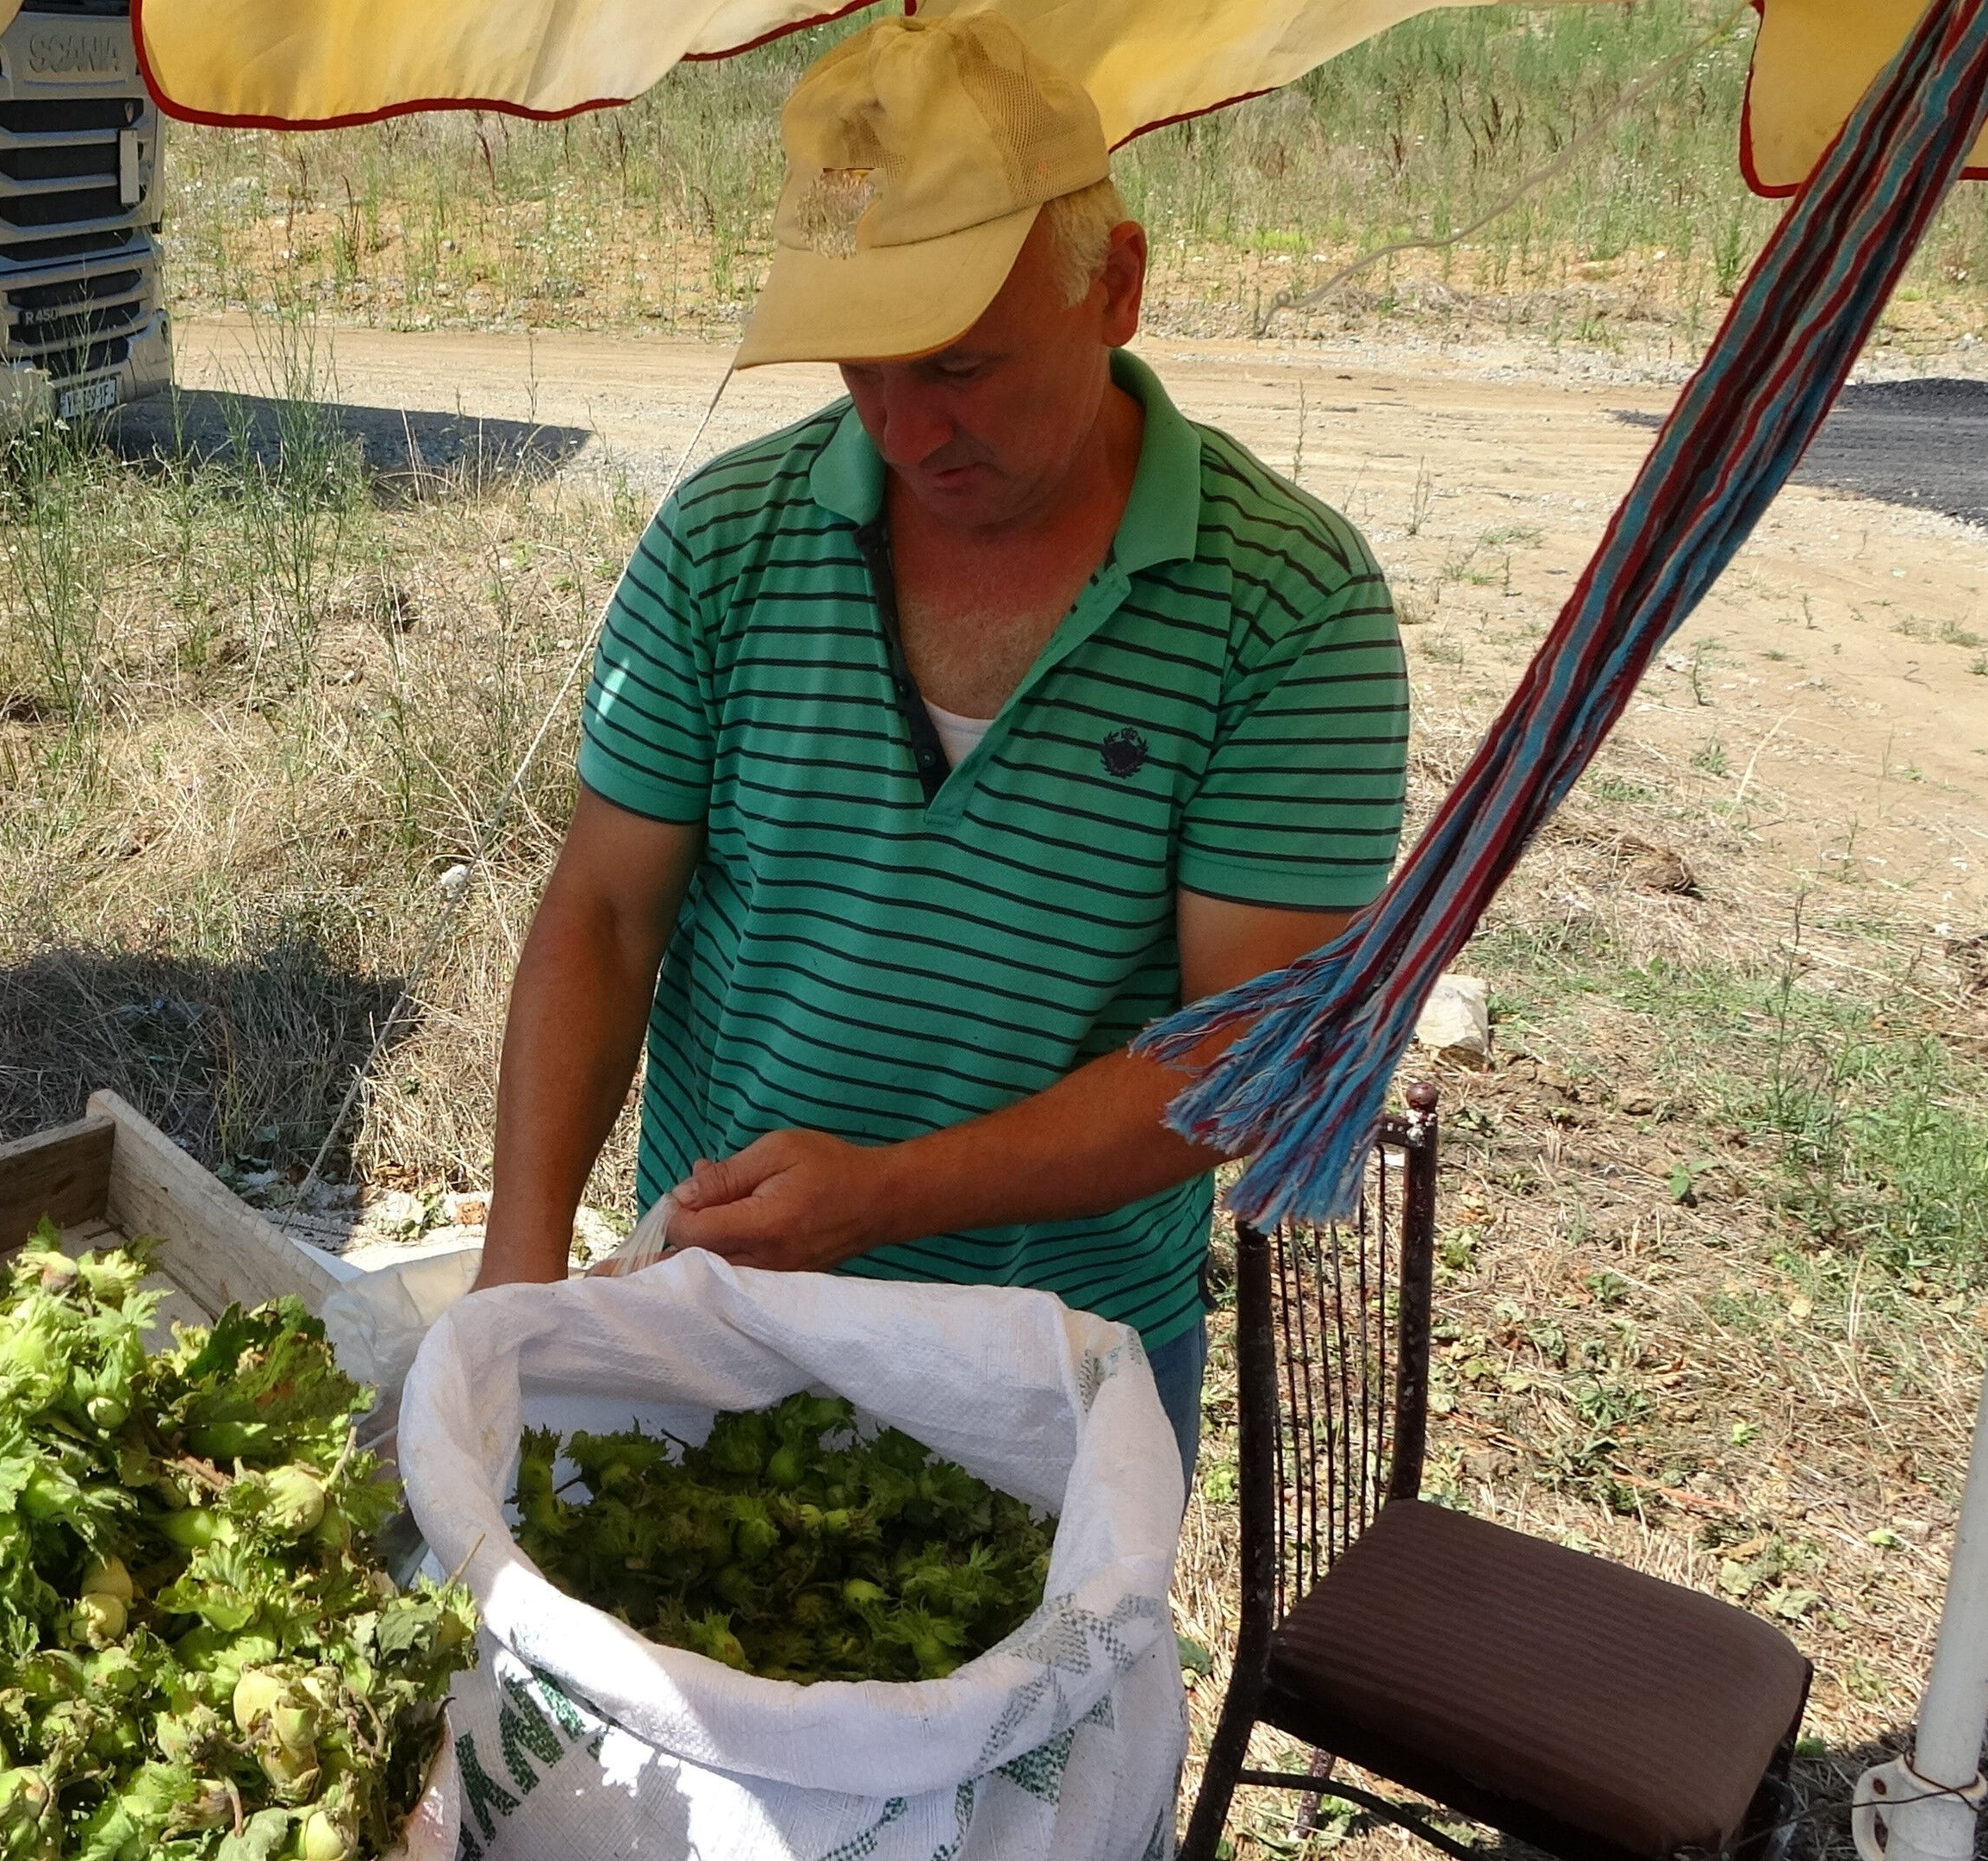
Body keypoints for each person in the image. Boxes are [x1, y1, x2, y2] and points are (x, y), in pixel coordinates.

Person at [473, 9, 1410, 1479]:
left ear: (1116, 285)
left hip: (1053, 1362)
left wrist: (888, 1197)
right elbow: (603, 911)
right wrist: (516, 1284)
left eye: (961, 367)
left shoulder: (1287, 603)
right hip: (722, 1320)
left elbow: (1249, 1045)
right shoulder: (725, 541)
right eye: (863, 368)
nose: (906, 432)